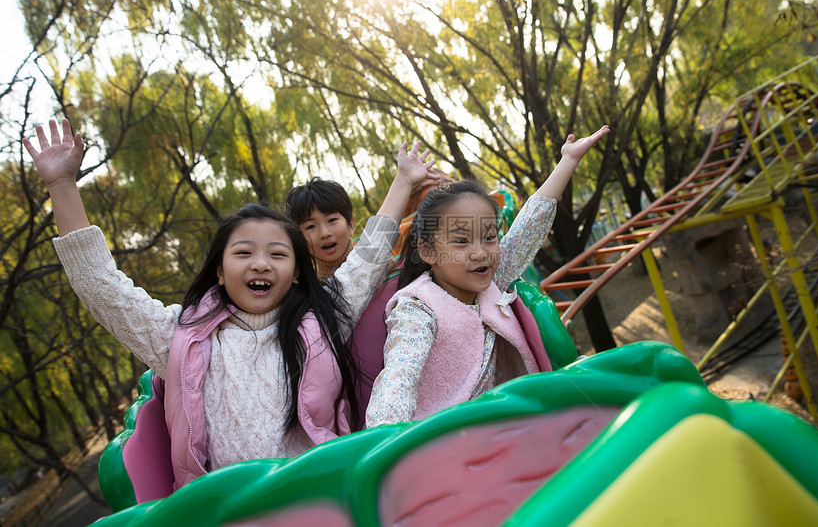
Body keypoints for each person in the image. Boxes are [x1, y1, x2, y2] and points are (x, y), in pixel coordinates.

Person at [23, 119, 436, 489]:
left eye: (277, 254)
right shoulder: (180, 338)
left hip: (321, 494)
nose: (261, 263)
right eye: (243, 253)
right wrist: (61, 185)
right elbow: (104, 290)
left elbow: (369, 256)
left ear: (295, 271)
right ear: (219, 271)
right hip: (230, 507)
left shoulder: (324, 315)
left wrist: (403, 180)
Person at [364, 125, 611, 427]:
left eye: (489, 237)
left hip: (506, 422)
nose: (480, 252)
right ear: (428, 252)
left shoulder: (490, 280)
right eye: (461, 241)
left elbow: (528, 228)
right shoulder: (418, 308)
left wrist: (568, 161)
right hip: (444, 439)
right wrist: (386, 438)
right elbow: (399, 377)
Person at [286, 165, 444, 427]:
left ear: (350, 224)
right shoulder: (305, 296)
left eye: (332, 220)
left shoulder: (397, 272)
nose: (324, 232)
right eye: (310, 226)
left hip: (413, 392)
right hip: (352, 405)